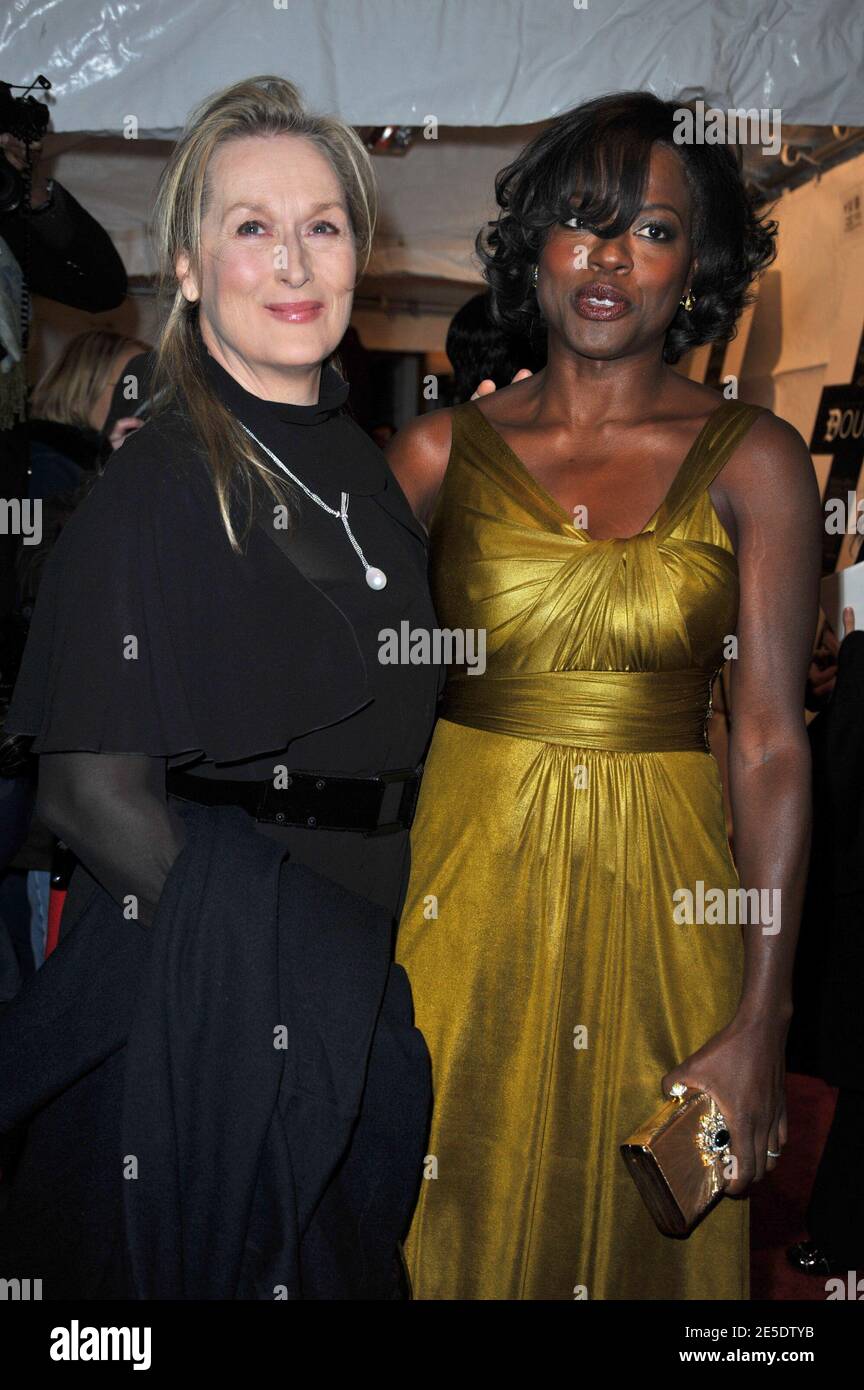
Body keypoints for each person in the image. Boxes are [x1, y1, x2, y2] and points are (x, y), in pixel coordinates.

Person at [0, 74, 441, 1299]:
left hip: (341, 964)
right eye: (252, 226)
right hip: (201, 993)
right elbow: (93, 796)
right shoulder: (154, 484)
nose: (294, 260)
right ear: (188, 266)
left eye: (323, 224)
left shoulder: (355, 456)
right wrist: (284, 972)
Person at [387, 90, 822, 1300]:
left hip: (670, 895)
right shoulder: (432, 459)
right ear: (534, 244)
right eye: (583, 220)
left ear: (700, 265)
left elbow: (773, 741)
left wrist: (763, 1015)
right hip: (463, 887)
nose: (610, 256)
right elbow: (332, 679)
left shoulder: (755, 459)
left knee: (645, 1237)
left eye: (655, 230)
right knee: (439, 1187)